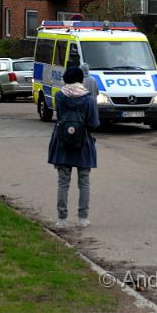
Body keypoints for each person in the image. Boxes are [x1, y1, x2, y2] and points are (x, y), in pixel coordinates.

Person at [47, 66, 100, 229]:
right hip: (83, 144)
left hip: (62, 143)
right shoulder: (88, 99)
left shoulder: (59, 96)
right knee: (84, 181)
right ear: (81, 80)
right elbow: (94, 123)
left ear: (65, 79)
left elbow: (59, 117)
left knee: (63, 181)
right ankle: (82, 218)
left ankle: (62, 219)